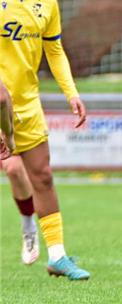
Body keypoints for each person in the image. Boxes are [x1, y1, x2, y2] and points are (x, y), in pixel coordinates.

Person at [1, 0, 89, 280]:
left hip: (26, 104)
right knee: (12, 168)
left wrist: (72, 93)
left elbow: (54, 51)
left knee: (43, 176)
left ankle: (57, 256)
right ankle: (27, 225)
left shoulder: (47, 0)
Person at [1, 79, 40, 265]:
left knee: (14, 168)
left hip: (14, 112)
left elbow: (2, 98)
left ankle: (28, 227)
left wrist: (7, 133)